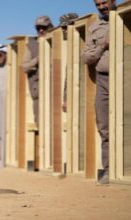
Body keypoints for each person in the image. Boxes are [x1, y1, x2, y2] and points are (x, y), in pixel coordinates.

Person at [82, 0, 116, 185]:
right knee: (104, 127)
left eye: (105, 2)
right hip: (103, 79)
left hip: (125, 79)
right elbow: (86, 57)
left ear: (113, 1)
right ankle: (109, 171)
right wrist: (103, 46)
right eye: (98, 4)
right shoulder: (95, 27)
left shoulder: (125, 17)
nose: (102, 6)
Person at [21, 16, 54, 125]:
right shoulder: (32, 43)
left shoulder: (58, 40)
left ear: (50, 27)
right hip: (38, 92)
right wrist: (37, 60)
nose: (41, 30)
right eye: (38, 28)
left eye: (44, 27)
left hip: (55, 92)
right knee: (40, 123)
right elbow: (24, 66)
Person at [59, 13, 79, 112]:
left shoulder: (83, 43)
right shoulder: (71, 47)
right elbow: (68, 77)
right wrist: (66, 99)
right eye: (62, 27)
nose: (63, 30)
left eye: (65, 27)